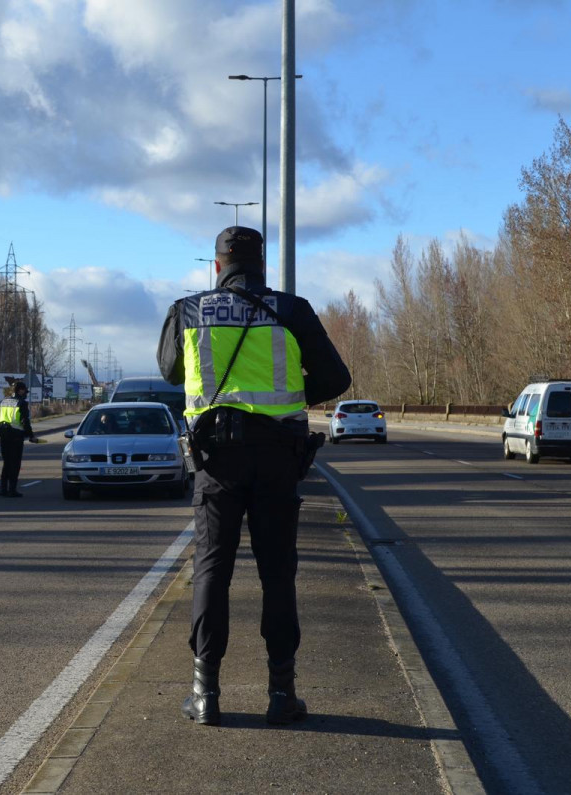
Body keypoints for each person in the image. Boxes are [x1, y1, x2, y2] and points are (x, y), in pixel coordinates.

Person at [157, 226, 351, 726]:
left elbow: (170, 373)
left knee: (212, 570)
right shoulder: (292, 310)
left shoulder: (189, 311)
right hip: (277, 456)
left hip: (216, 458)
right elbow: (336, 379)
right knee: (277, 574)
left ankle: (205, 695)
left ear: (217, 266)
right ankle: (282, 694)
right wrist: (283, 400)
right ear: (263, 266)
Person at [0, 380, 36, 497]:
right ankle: (12, 490)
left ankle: (3, 489)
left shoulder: (3, 401)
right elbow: (25, 421)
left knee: (6, 463)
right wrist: (31, 436)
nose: (26, 394)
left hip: (4, 436)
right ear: (20, 390)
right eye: (25, 391)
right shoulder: (21, 403)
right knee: (15, 464)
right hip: (15, 437)